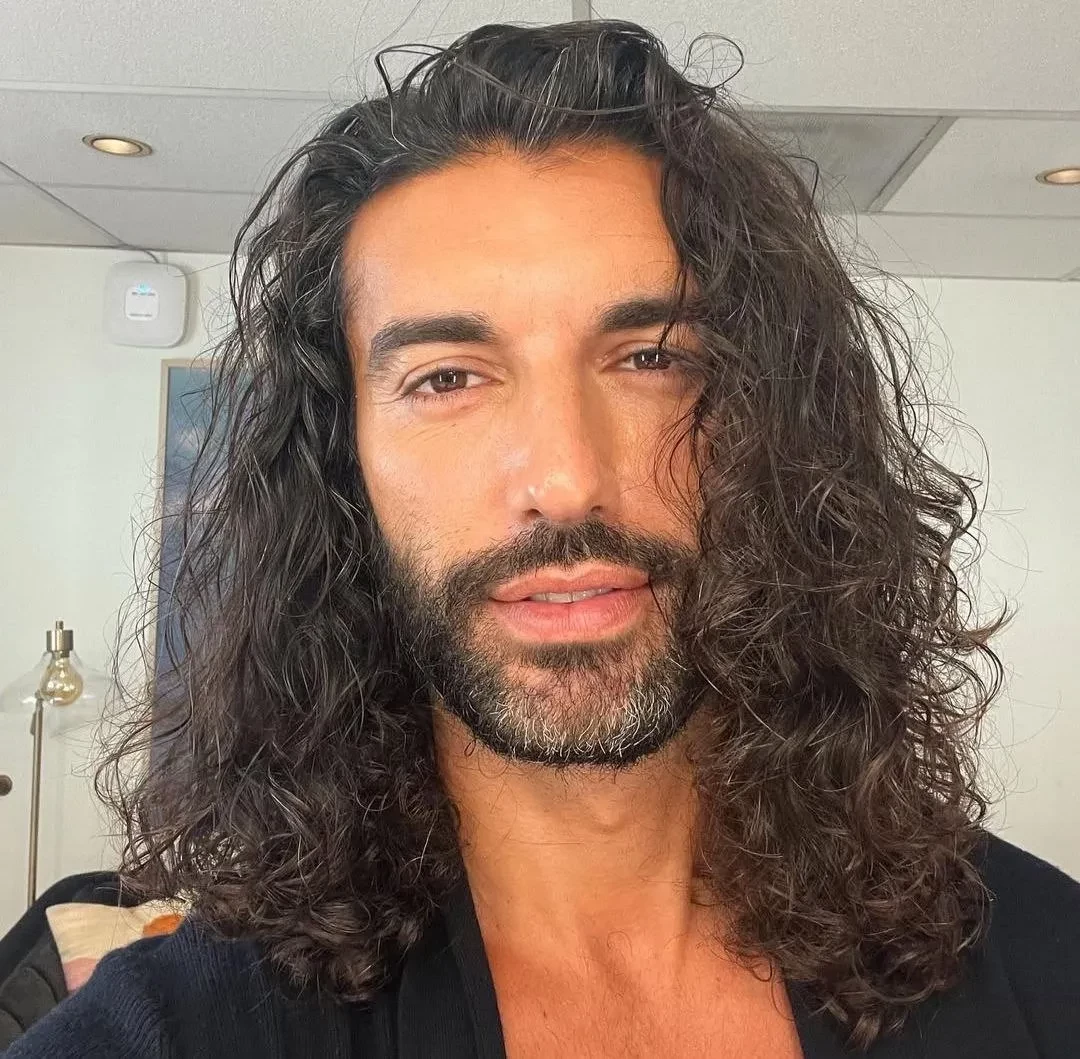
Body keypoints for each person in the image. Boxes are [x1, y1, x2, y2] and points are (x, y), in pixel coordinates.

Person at [5, 18, 1078, 1059]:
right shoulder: (180, 1029)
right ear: (344, 465)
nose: (565, 480)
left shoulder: (1048, 967)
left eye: (653, 358)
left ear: (781, 425)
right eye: (447, 378)